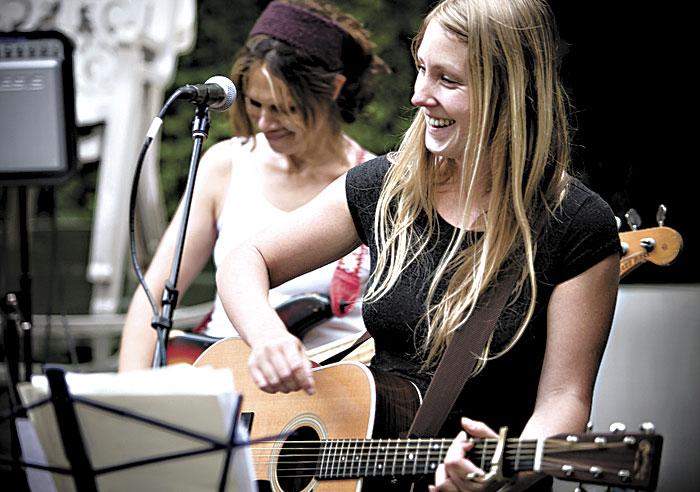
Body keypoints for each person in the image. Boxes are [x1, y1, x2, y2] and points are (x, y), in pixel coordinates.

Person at [216, 0, 621, 491]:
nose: (418, 95)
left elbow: (565, 397)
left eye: (447, 81)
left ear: (510, 94)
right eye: (422, 69)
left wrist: (507, 476)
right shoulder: (384, 188)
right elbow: (246, 259)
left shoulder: (575, 223)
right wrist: (267, 337)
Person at [118, 0, 389, 371]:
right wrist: (128, 398)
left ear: (333, 89)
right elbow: (155, 294)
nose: (264, 122)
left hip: (320, 405)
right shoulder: (226, 165)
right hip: (220, 378)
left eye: (282, 107)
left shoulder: (374, 184)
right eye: (254, 104)